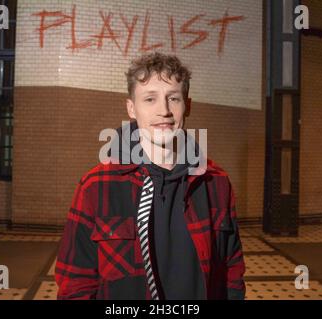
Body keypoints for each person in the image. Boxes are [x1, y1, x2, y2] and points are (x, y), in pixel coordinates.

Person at [55, 52, 246, 300]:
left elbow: (231, 272)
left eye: (173, 99)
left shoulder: (215, 183)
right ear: (132, 108)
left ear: (187, 106)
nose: (164, 111)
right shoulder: (96, 186)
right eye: (150, 99)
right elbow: (75, 285)